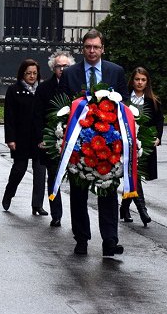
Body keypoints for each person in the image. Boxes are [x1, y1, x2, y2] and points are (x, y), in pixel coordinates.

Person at [58, 28, 127, 257]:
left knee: (108, 192)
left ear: (103, 49)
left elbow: (124, 108)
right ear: (82, 49)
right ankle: (81, 239)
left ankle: (110, 241)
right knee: (78, 194)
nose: (92, 51)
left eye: (96, 47)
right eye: (88, 47)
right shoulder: (70, 74)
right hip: (79, 144)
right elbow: (62, 107)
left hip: (109, 144)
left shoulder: (115, 72)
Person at [2, 59, 47, 216]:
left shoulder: (42, 90)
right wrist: (10, 138)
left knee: (40, 171)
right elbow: (9, 116)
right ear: (22, 73)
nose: (32, 76)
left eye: (35, 73)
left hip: (39, 138)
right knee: (19, 169)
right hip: (21, 137)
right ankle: (9, 193)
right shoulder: (14, 90)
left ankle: (37, 205)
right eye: (28, 73)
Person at [121, 66, 164, 227]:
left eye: (143, 80)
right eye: (137, 79)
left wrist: (158, 138)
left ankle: (124, 208)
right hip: (127, 143)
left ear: (147, 82)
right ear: (132, 81)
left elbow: (160, 120)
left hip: (144, 144)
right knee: (133, 175)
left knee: (134, 175)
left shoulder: (153, 101)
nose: (140, 82)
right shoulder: (124, 99)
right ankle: (142, 210)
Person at [36, 50, 75, 227]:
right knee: (53, 177)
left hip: (74, 139)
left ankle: (77, 216)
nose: (62, 69)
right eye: (58, 66)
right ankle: (56, 214)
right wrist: (41, 138)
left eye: (65, 66)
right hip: (51, 140)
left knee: (75, 178)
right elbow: (36, 116)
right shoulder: (44, 88)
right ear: (53, 68)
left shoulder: (78, 86)